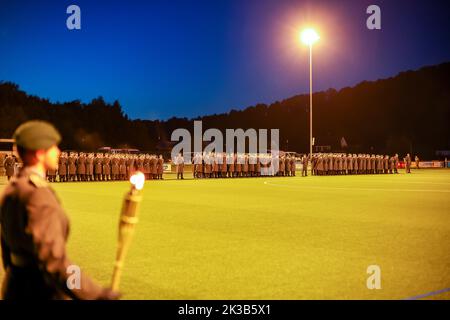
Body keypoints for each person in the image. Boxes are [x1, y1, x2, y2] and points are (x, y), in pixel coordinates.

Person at [0, 121, 119, 300]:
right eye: (54, 147)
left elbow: (6, 251)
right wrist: (95, 293)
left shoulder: (13, 187)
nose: (59, 152)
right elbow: (55, 262)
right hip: (39, 290)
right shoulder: (37, 195)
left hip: (15, 285)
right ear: (40, 153)